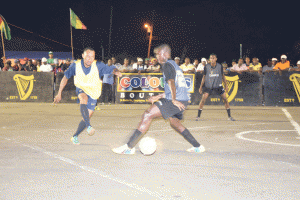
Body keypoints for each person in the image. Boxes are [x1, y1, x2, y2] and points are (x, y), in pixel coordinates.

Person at [112, 44, 205, 155]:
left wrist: (174, 100)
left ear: (166, 54)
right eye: (156, 54)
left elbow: (171, 83)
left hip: (175, 100)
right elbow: (174, 86)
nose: (157, 56)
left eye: (159, 54)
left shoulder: (167, 65)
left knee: (148, 114)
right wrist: (158, 96)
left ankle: (129, 147)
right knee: (175, 123)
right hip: (182, 100)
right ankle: (198, 146)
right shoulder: (174, 65)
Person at [53, 47, 122, 145]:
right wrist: (59, 93)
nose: (90, 59)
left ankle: (75, 136)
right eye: (88, 56)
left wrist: (116, 71)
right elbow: (65, 78)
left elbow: (111, 69)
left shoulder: (98, 65)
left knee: (86, 116)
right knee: (83, 98)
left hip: (94, 92)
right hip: (81, 88)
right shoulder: (75, 66)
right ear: (82, 56)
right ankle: (89, 126)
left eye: (92, 57)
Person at [196, 54, 235, 121]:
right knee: (203, 99)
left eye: (213, 58)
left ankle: (229, 116)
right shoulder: (206, 66)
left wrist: (226, 86)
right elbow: (204, 77)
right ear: (209, 59)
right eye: (211, 58)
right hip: (209, 86)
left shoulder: (220, 66)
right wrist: (200, 87)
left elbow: (223, 76)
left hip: (218, 86)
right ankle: (198, 116)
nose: (212, 59)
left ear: (216, 59)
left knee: (225, 99)